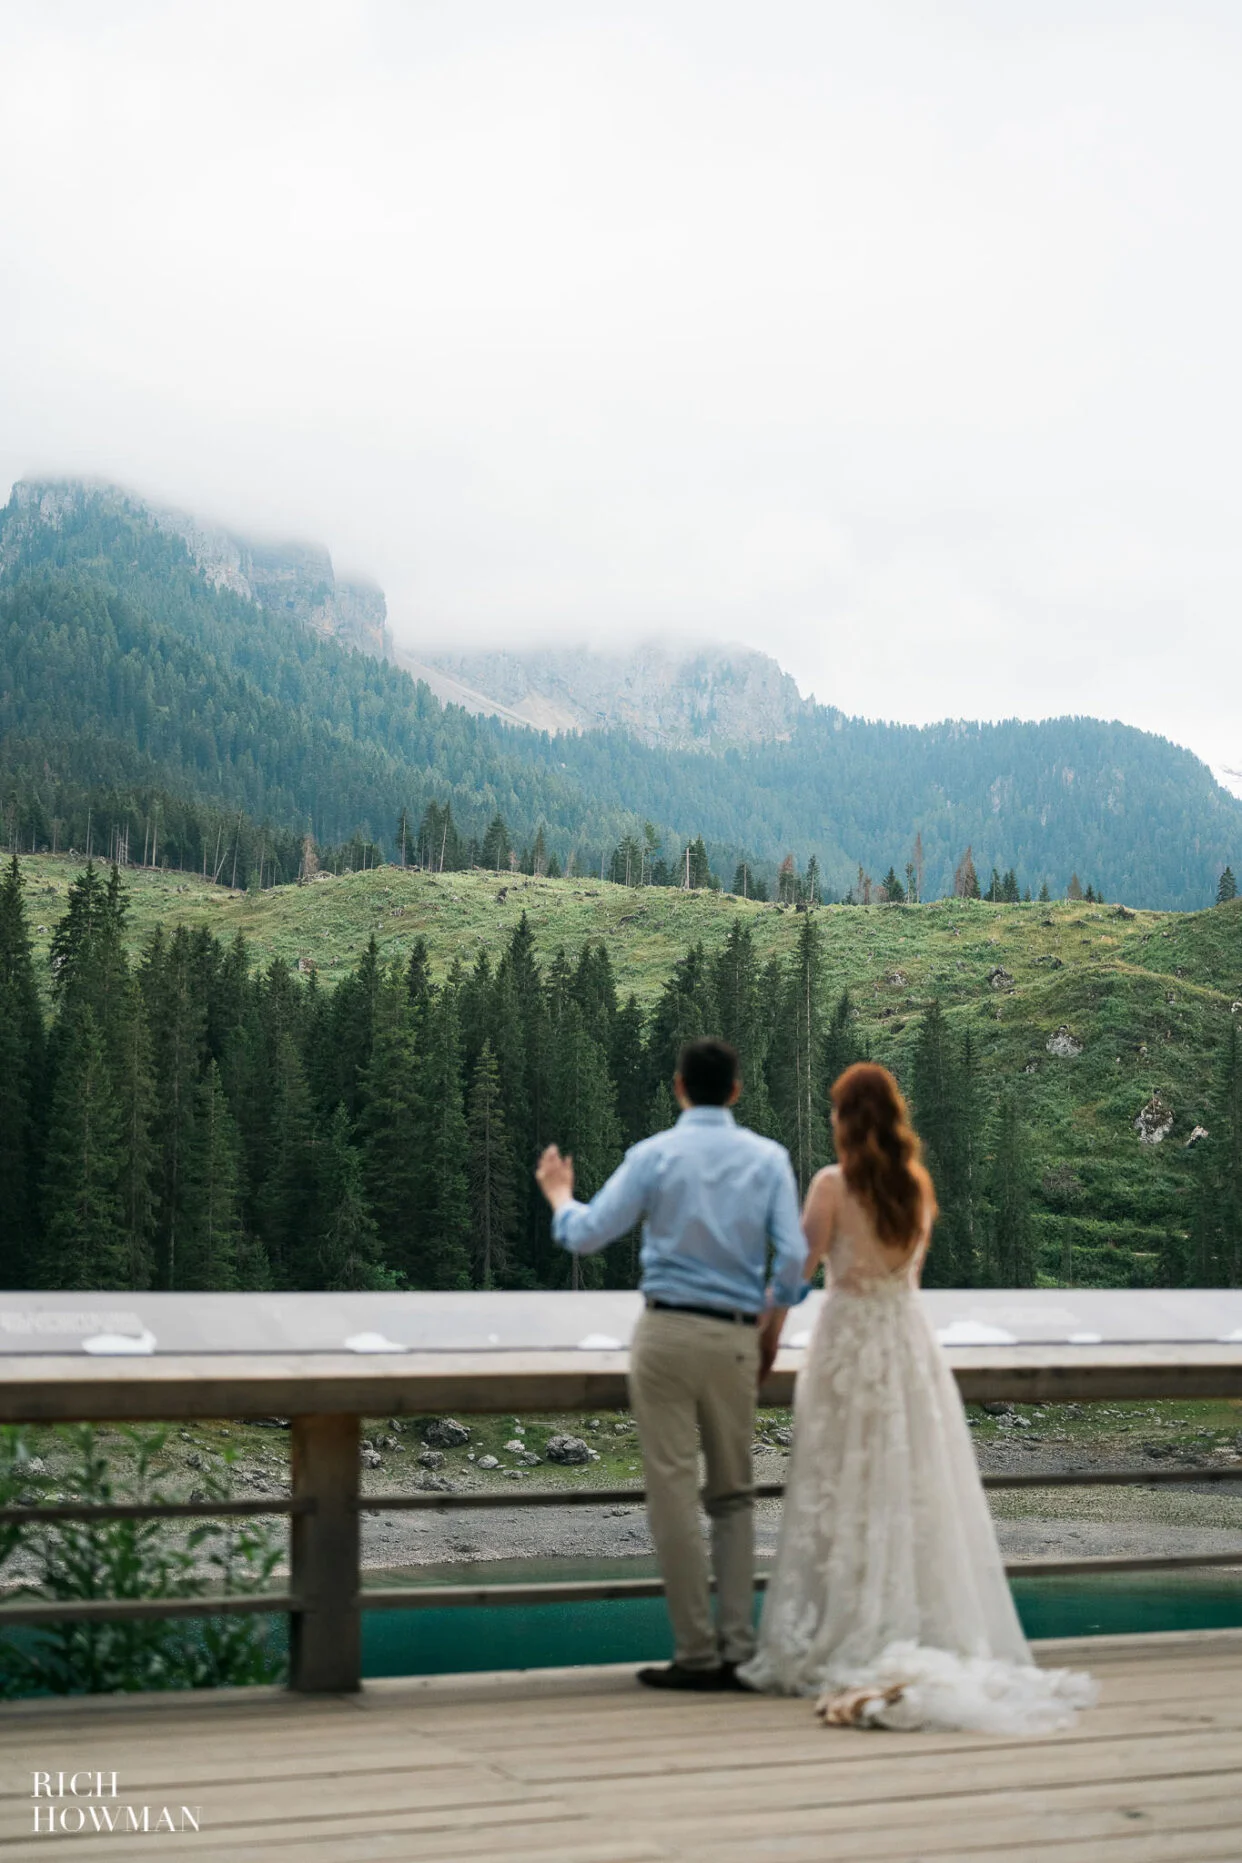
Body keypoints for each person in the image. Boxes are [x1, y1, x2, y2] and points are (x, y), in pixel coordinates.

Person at [740, 1062, 1096, 1734]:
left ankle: (844, 1622)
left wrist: (766, 1335)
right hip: (907, 1345)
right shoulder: (916, 1189)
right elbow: (909, 1277)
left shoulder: (831, 1184)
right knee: (910, 1483)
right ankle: (913, 1619)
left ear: (845, 1119)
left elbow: (797, 1270)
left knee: (841, 1480)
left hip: (848, 1347)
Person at [536, 1036, 806, 1691]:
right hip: (736, 1336)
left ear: (679, 1087)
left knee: (674, 1494)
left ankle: (694, 1653)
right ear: (736, 1090)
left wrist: (559, 1192)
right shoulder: (769, 1159)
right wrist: (770, 1317)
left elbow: (586, 1234)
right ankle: (739, 1648)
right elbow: (795, 1258)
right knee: (736, 1496)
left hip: (664, 1331)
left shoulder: (652, 1154)